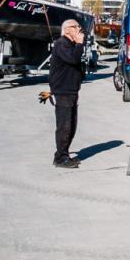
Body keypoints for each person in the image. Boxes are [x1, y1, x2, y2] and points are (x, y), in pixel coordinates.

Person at [50, 19, 87, 168]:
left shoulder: (71, 45)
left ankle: (63, 153)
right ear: (66, 30)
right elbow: (73, 58)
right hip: (63, 90)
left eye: (79, 26)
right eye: (75, 26)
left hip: (71, 90)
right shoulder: (61, 43)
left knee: (72, 125)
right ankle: (60, 157)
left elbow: (76, 62)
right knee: (64, 125)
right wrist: (79, 44)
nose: (79, 29)